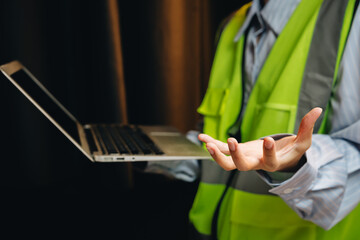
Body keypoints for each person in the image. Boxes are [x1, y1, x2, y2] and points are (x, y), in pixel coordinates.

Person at [146, 0, 360, 239]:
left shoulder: (350, 15)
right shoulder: (232, 25)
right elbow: (221, 148)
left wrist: (294, 165)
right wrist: (147, 152)